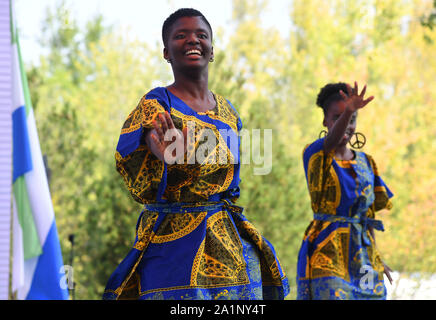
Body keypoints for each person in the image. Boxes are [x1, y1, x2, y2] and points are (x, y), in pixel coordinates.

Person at [102, 8, 289, 300]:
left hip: (227, 238)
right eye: (181, 35)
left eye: (201, 35)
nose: (193, 40)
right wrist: (164, 152)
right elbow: (151, 133)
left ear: (212, 50)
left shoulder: (229, 111)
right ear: (166, 52)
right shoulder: (158, 100)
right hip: (174, 243)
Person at [296, 82, 394, 300]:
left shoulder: (366, 163)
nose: (347, 125)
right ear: (325, 120)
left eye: (352, 120)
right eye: (338, 118)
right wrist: (349, 109)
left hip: (364, 258)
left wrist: (378, 258)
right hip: (327, 254)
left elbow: (368, 218)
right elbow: (330, 141)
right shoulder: (315, 154)